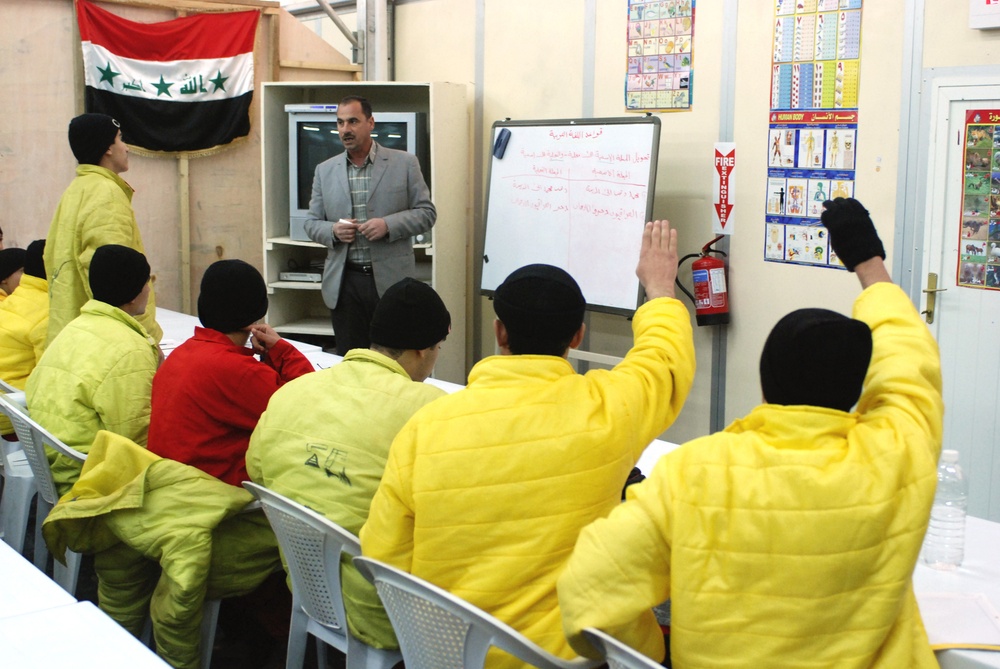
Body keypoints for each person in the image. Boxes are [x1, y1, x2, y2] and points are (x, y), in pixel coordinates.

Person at [557, 198, 944, 669]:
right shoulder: (899, 452)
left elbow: (586, 593)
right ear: (858, 389)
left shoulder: (692, 473)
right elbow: (907, 359)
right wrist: (867, 260)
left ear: (764, 384)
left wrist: (649, 653)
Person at [360, 220, 696, 668]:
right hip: (578, 657)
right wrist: (659, 292)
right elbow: (663, 362)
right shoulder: (611, 408)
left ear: (500, 333)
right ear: (577, 337)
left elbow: (384, 554)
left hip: (453, 653)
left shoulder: (427, 427)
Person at [246, 276, 451, 651]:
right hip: (386, 607)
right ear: (424, 351)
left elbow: (257, 470)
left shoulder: (292, 392)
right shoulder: (434, 411)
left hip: (306, 583)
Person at [147, 259, 314, 487]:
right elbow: (307, 409)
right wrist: (282, 351)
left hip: (171, 486)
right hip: (216, 498)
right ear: (253, 317)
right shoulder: (238, 371)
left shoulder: (182, 354)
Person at [304, 95, 436, 355]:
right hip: (345, 283)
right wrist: (333, 231)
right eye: (340, 123)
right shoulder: (324, 170)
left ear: (371, 123)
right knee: (351, 360)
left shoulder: (405, 163)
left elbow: (427, 213)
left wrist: (388, 225)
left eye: (353, 121)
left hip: (391, 282)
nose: (345, 130)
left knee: (396, 358)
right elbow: (311, 222)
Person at [26, 244, 159, 496]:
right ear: (133, 293)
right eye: (147, 282)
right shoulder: (130, 349)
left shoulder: (75, 327)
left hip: (52, 460)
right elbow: (136, 440)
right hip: (89, 475)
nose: (149, 290)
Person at [44, 113, 162, 348]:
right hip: (105, 342)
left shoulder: (76, 190)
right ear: (107, 148)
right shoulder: (105, 193)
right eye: (120, 139)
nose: (126, 148)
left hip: (72, 334)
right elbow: (115, 281)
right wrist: (143, 337)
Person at [0, 240, 47, 438]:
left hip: (7, 406)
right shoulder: (46, 311)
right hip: (16, 415)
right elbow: (48, 380)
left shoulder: (12, 302)